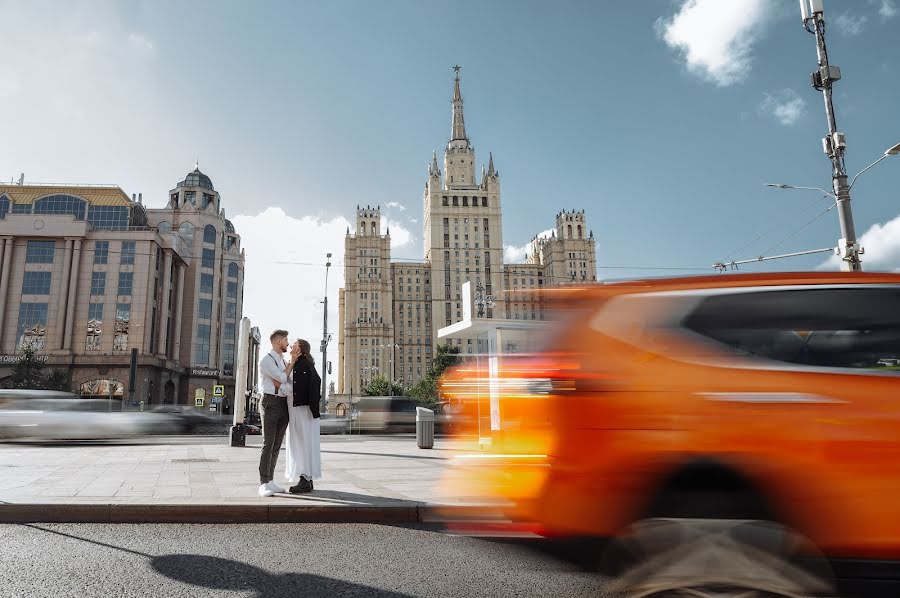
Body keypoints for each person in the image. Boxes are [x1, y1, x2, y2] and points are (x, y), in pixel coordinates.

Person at [257, 329, 301, 497]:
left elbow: (287, 384)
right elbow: (283, 378)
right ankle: (263, 483)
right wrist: (291, 364)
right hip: (270, 402)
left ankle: (270, 480)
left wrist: (282, 380)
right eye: (285, 341)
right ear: (278, 342)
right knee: (268, 443)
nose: (288, 344)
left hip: (283, 403)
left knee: (277, 444)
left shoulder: (282, 361)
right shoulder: (266, 360)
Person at [282, 338, 322, 493]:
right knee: (304, 444)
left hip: (301, 410)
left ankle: (304, 479)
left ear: (301, 349)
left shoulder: (302, 365)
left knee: (301, 444)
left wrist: (281, 386)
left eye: (294, 344)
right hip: (301, 410)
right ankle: (307, 479)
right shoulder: (303, 364)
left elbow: (299, 389)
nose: (291, 345)